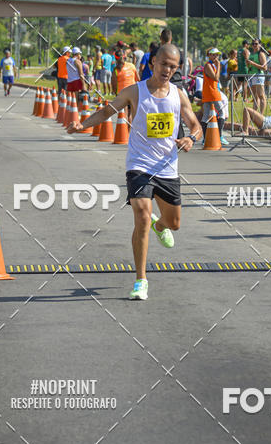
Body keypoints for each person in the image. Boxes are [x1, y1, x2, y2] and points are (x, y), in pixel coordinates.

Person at [66, 43, 202, 300]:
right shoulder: (134, 92)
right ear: (153, 63)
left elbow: (195, 126)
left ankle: (160, 227)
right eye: (163, 64)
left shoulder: (178, 94)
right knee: (141, 215)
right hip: (139, 165)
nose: (167, 70)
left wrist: (191, 138)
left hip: (167, 167)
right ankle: (141, 279)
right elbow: (107, 111)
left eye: (173, 67)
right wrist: (81, 124)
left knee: (174, 223)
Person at [202, 47, 228, 146]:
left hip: (209, 92)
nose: (215, 57)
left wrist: (217, 66)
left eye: (217, 55)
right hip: (212, 92)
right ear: (209, 55)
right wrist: (218, 66)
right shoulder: (208, 65)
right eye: (213, 54)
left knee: (206, 115)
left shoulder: (212, 65)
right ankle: (220, 136)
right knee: (221, 112)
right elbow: (216, 78)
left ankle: (205, 138)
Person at [248, 38, 268, 115]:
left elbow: (265, 67)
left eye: (256, 44)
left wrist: (253, 63)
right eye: (253, 44)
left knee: (261, 95)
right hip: (252, 75)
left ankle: (261, 115)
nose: (254, 45)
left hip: (259, 75)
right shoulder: (251, 54)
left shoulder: (261, 54)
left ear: (260, 45)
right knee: (255, 97)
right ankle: (254, 114)